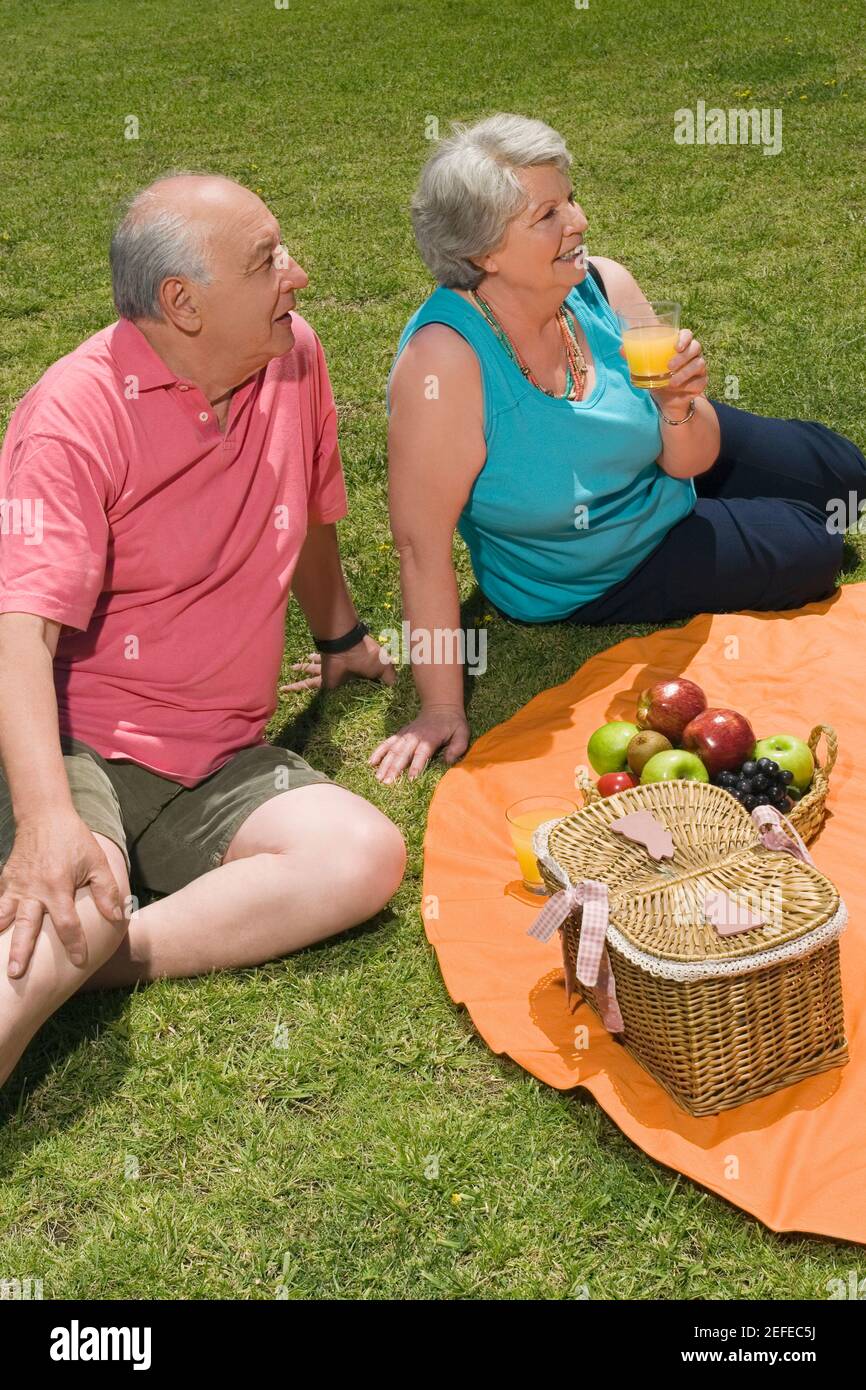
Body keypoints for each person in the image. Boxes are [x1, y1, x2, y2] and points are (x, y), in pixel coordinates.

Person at [0, 173, 406, 1090]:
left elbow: (310, 508)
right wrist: (47, 822)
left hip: (218, 757)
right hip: (76, 745)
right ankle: (72, 936)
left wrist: (339, 637)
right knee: (68, 897)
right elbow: (16, 632)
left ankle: (103, 948)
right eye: (267, 261)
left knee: (362, 855)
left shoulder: (293, 355)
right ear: (182, 303)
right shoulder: (72, 415)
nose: (296, 275)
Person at [369, 112, 866, 786]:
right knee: (815, 546)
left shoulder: (601, 286)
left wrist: (679, 405)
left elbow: (685, 458)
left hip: (662, 458)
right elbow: (420, 546)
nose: (577, 220)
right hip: (603, 558)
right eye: (547, 213)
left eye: (570, 197)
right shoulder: (445, 367)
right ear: (485, 253)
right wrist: (439, 705)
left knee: (846, 476)